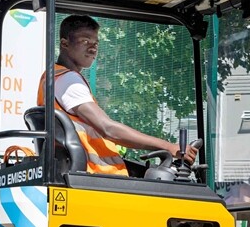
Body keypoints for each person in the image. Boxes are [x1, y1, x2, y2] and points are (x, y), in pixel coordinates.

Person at [38, 15, 196, 175]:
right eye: (85, 41)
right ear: (65, 43)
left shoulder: (53, 77)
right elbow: (108, 129)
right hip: (93, 174)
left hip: (84, 172)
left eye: (96, 43)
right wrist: (168, 146)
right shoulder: (69, 81)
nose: (93, 48)